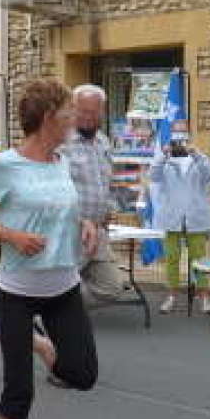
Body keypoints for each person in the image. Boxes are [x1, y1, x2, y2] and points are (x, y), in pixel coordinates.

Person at [0, 80, 100, 419]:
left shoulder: (63, 162)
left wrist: (85, 223)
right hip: (18, 292)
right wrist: (11, 236)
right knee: (19, 392)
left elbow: (63, 210)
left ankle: (39, 343)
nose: (74, 119)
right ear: (46, 118)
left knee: (83, 376)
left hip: (63, 287)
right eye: (67, 113)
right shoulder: (5, 165)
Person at [58, 84, 131, 304]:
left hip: (98, 233)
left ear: (102, 112)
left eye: (94, 112)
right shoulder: (61, 143)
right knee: (59, 287)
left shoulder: (104, 142)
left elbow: (109, 181)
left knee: (112, 287)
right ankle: (47, 318)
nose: (89, 117)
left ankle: (59, 309)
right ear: (73, 110)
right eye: (84, 111)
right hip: (69, 231)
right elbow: (53, 189)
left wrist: (111, 207)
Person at [150, 136, 210, 314]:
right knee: (172, 257)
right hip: (172, 217)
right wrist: (163, 155)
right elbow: (153, 175)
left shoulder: (198, 161)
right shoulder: (166, 163)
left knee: (199, 258)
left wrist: (196, 153)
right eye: (175, 141)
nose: (179, 145)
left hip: (195, 216)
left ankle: (204, 296)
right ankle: (171, 295)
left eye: (183, 141)